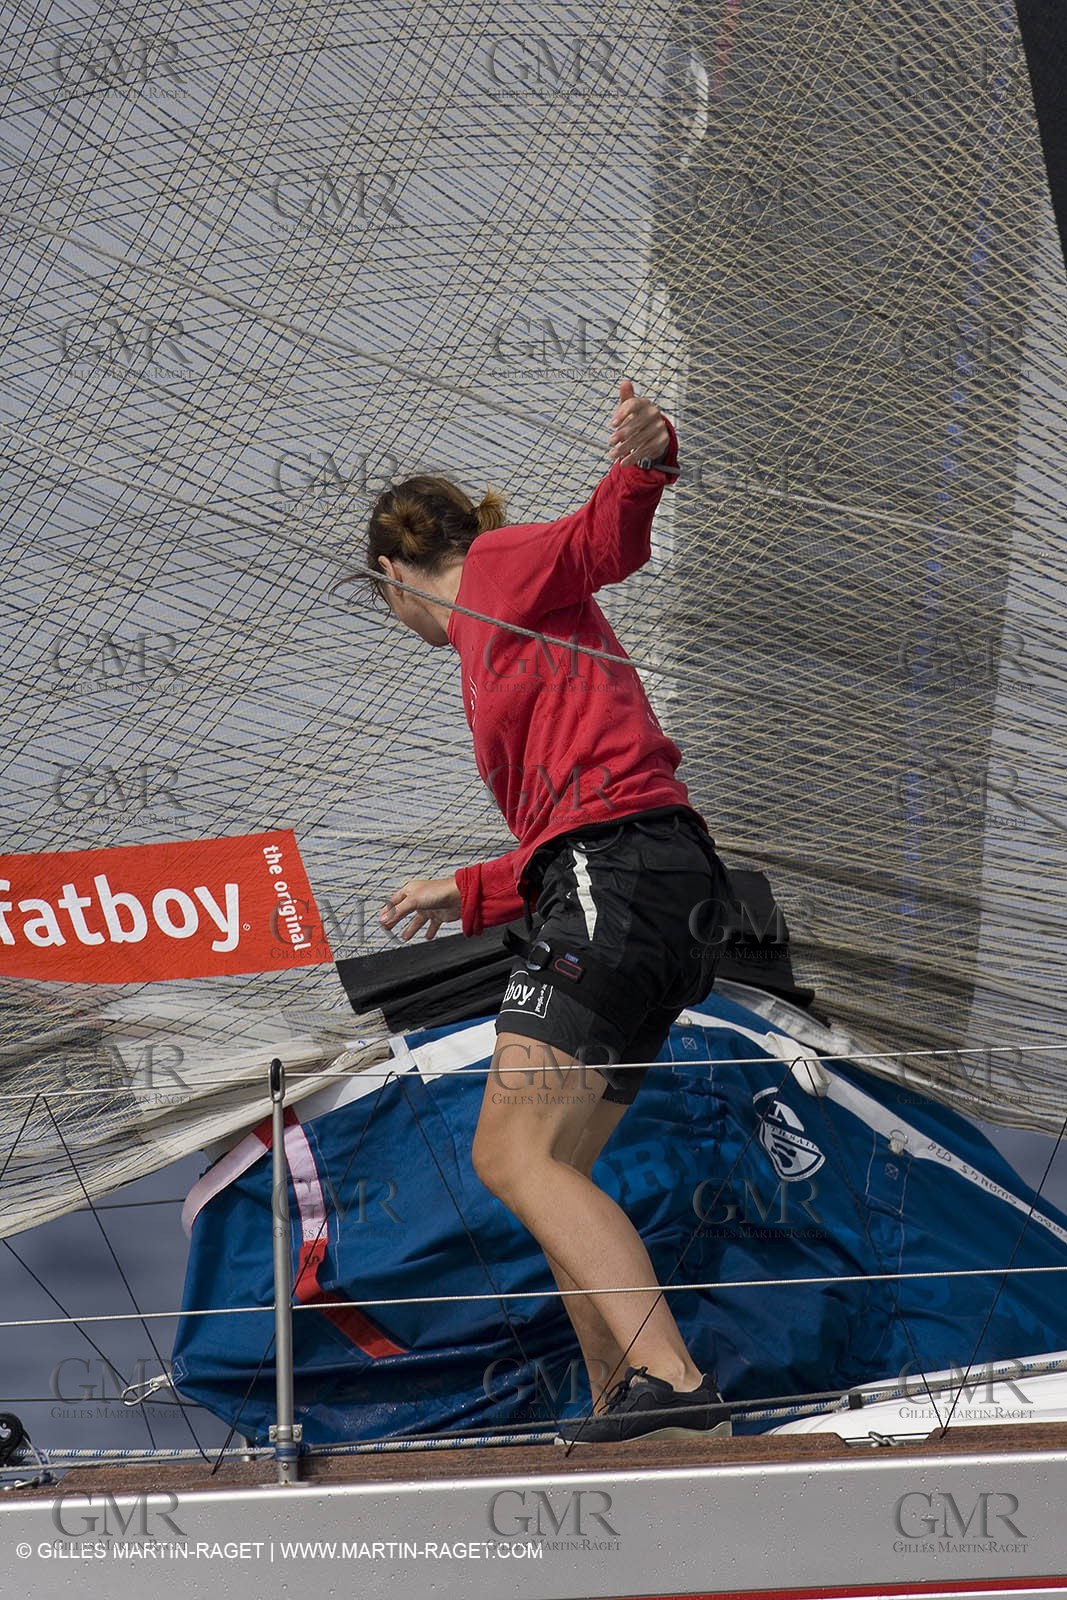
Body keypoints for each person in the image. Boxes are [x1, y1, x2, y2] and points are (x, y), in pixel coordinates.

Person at [368, 381, 733, 1444]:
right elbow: (567, 810)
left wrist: (645, 460)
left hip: (619, 875)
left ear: (393, 574)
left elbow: (597, 543)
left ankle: (671, 1388)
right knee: (553, 1164)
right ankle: (623, 1399)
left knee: (510, 1156)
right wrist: (468, 889)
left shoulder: (490, 571)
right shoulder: (502, 630)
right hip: (652, 879)